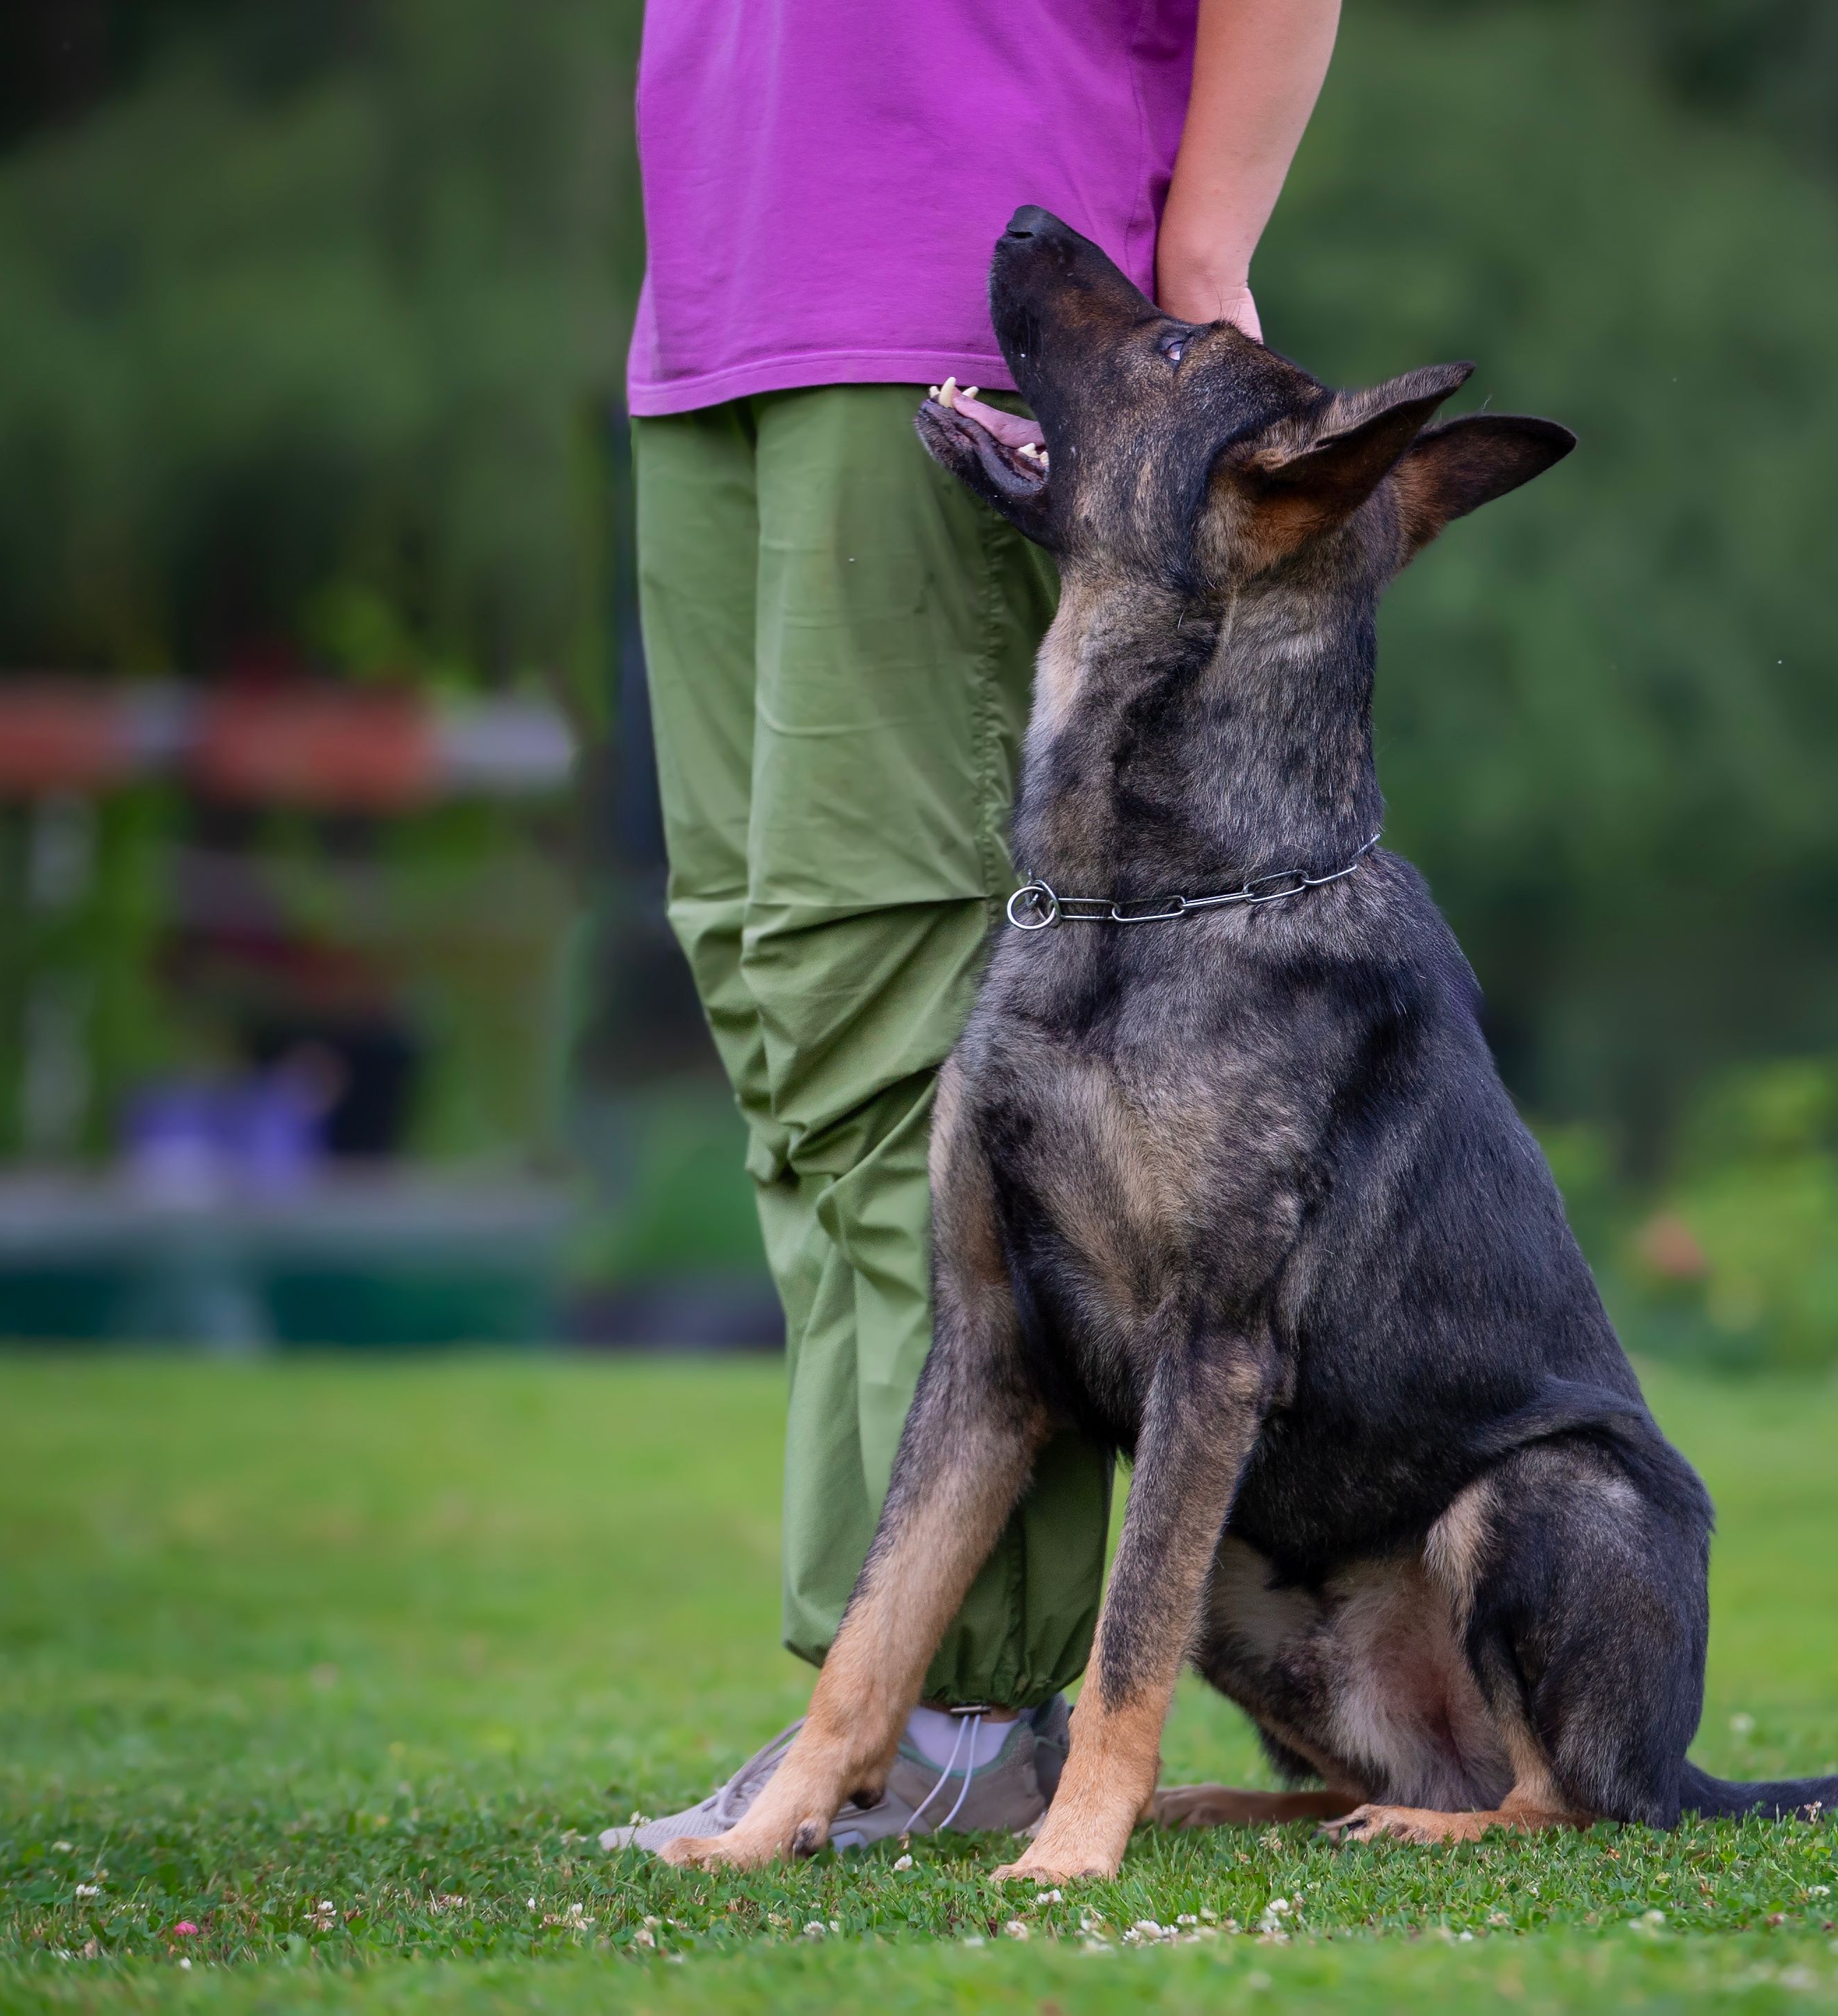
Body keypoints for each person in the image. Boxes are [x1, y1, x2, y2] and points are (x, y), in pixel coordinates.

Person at [598, 0, 1343, 1853]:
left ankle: (961, 1715)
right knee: (778, 990)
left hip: (953, 293)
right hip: (714, 301)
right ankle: (879, 1713)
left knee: (892, 994)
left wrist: (1206, 252)